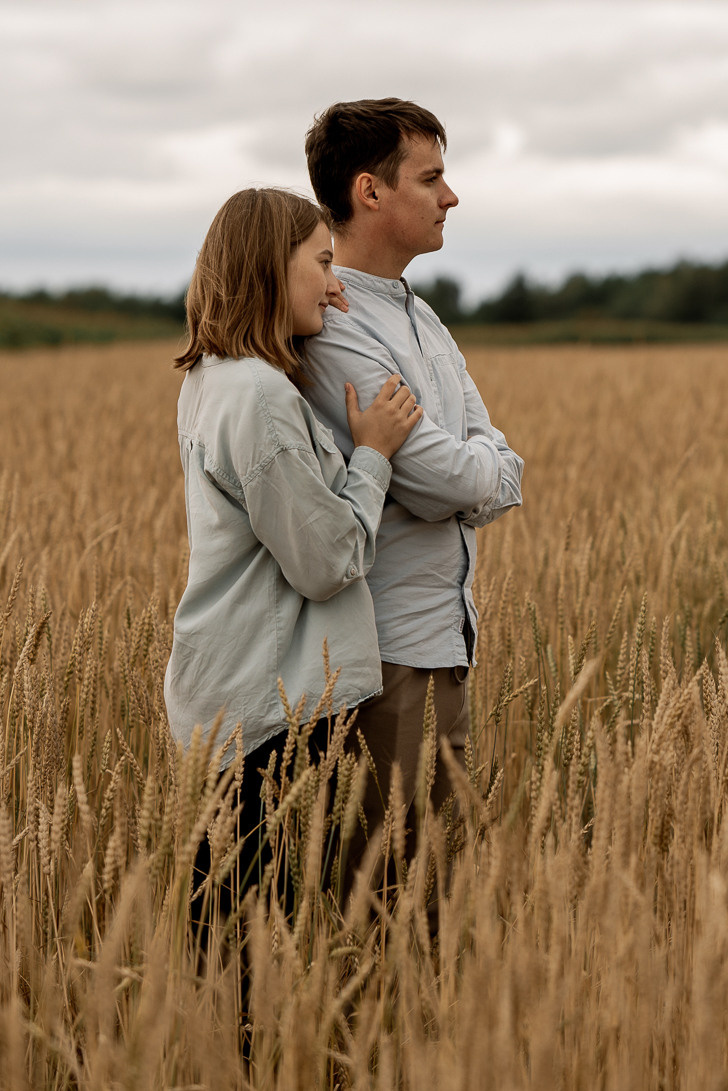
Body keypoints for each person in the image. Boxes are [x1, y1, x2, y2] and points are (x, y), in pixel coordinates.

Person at [167, 186, 423, 1031]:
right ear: (268, 269)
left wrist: (314, 304)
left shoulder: (215, 379)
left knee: (230, 940)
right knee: (249, 950)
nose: (334, 281)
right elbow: (326, 562)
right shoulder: (263, 400)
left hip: (227, 694)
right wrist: (374, 456)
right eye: (320, 263)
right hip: (268, 705)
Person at [299, 98, 525, 889]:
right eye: (431, 178)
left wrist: (478, 470)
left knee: (426, 896)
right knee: (390, 899)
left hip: (446, 641)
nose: (451, 196)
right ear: (370, 191)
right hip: (385, 656)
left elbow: (486, 455)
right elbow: (448, 478)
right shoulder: (335, 322)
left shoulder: (420, 315)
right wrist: (480, 472)